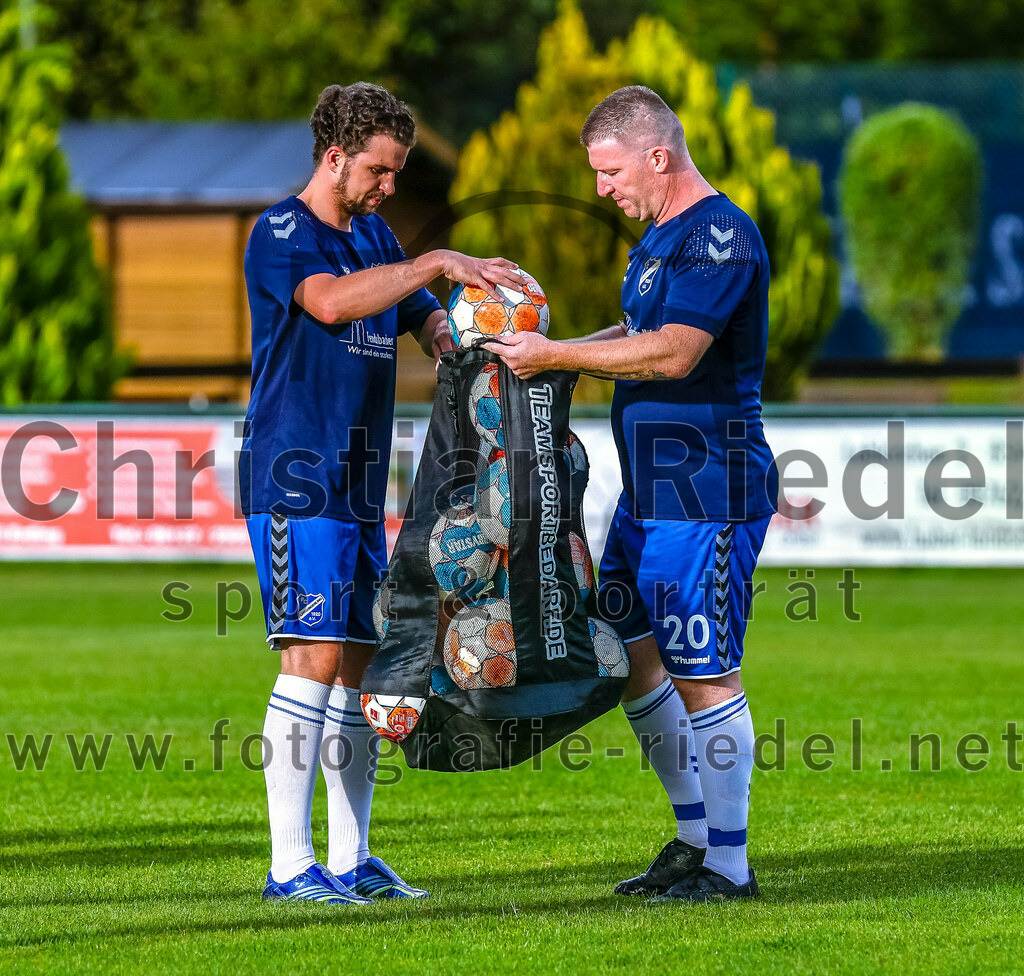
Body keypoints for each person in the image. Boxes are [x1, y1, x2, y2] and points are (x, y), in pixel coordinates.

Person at [492, 85, 778, 902]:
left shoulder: (719, 235)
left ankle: (729, 864)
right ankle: (693, 842)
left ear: (658, 156)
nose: (601, 189)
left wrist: (552, 358)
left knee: (703, 670)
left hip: (708, 489)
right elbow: (632, 333)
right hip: (650, 496)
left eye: (610, 170)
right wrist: (545, 352)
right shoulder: (654, 241)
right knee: (627, 654)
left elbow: (678, 351)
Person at [241, 82, 520, 906]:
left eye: (395, 171)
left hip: (360, 485)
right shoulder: (282, 232)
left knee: (364, 676)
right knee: (313, 658)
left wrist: (454, 333)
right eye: (380, 170)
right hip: (298, 477)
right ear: (335, 157)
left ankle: (352, 857)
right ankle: (290, 867)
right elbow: (329, 305)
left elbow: (420, 313)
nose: (389, 185)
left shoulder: (372, 234)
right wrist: (432, 262)